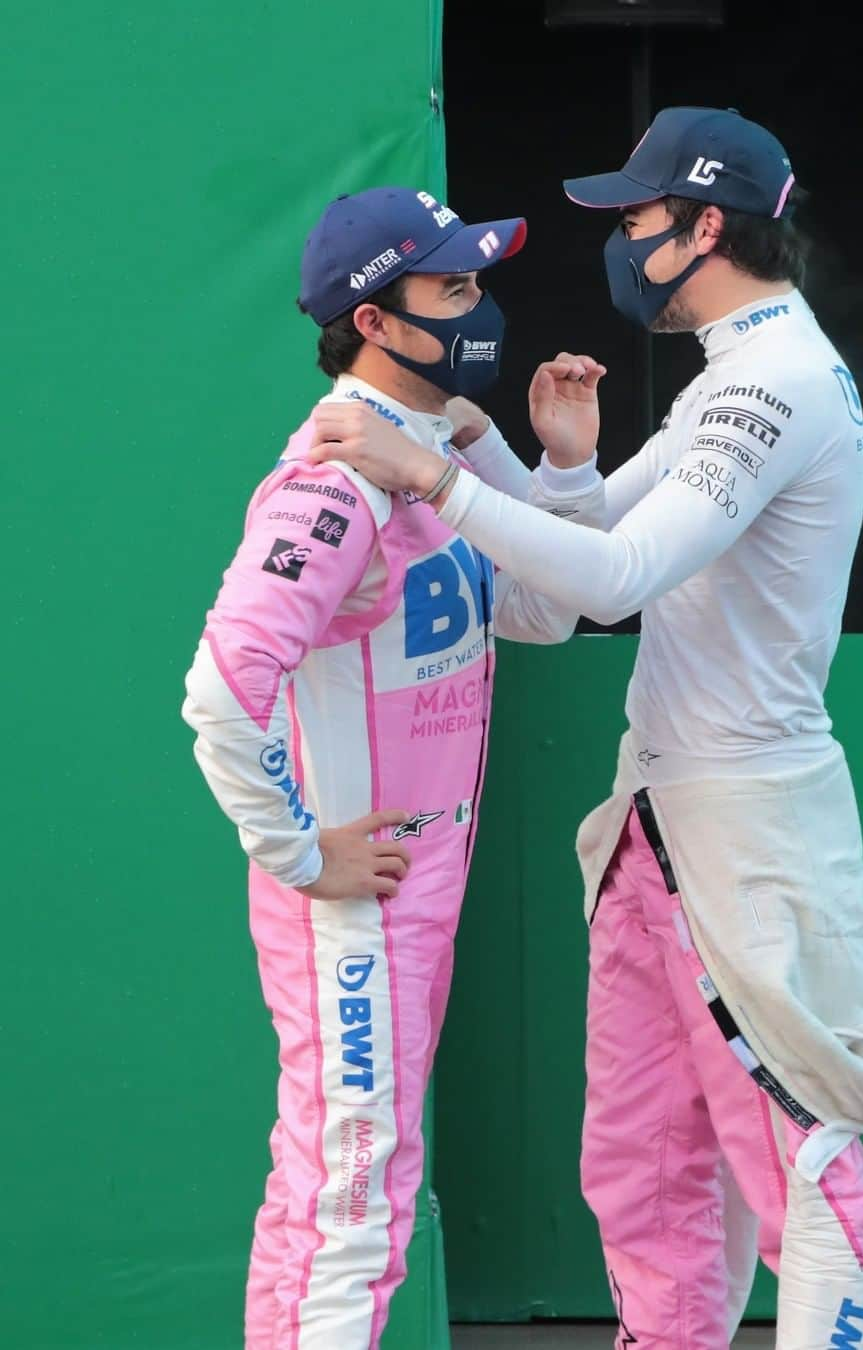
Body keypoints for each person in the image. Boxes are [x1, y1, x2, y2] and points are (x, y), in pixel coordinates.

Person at [307, 108, 863, 1350]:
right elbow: (545, 605)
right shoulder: (731, 382)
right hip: (652, 823)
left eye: (636, 220)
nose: (623, 241)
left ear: (706, 226)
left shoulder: (781, 383)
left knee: (804, 1171)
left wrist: (433, 473)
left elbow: (610, 582)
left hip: (749, 830)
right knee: (642, 1173)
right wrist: (539, 463)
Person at [180, 185, 607, 1350]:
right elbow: (221, 693)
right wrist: (301, 850)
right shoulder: (335, 476)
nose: (482, 309)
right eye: (455, 289)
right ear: (374, 320)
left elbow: (540, 610)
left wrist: (558, 469)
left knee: (333, 1189)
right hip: (353, 913)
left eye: (479, 283)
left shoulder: (433, 446)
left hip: (409, 900)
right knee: (354, 1205)